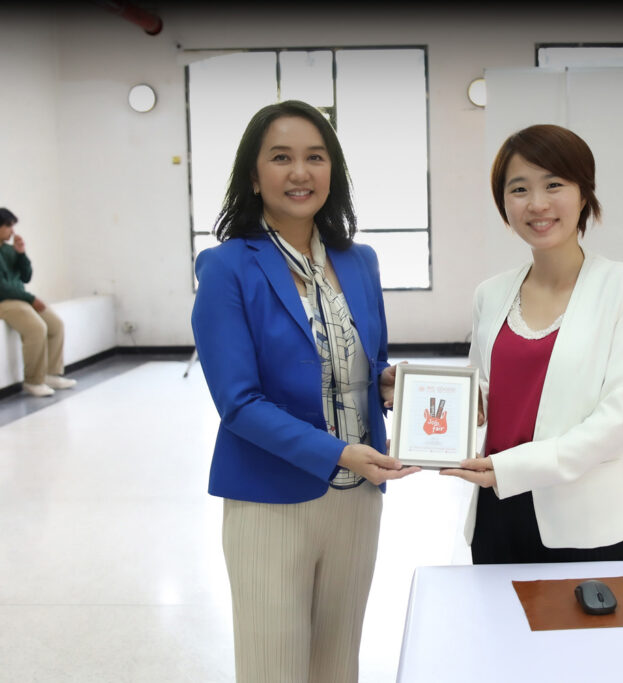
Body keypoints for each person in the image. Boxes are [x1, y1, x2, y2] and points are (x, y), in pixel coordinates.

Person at [191, 100, 418, 683]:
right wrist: (337, 452)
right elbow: (238, 403)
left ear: (332, 170)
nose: (300, 172)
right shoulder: (226, 267)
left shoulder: (359, 261)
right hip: (269, 498)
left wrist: (387, 383)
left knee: (338, 665)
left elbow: (370, 360)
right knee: (273, 668)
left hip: (358, 495)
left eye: (315, 157)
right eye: (281, 158)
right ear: (253, 175)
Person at [441, 124, 623, 563]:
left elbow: (618, 420)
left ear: (584, 194)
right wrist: (425, 398)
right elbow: (482, 391)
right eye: (519, 189)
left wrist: (513, 467)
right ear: (504, 203)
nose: (537, 203)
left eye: (554, 184)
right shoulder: (491, 293)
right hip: (497, 510)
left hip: (587, 523)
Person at [0, 208, 76, 397]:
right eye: (8, 226)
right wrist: (31, 299)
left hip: (19, 298)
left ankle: (50, 374)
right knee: (36, 328)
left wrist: (21, 254)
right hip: (5, 301)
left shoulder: (9, 250)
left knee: (55, 325)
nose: (12, 231)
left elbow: (26, 277)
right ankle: (33, 381)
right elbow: (2, 288)